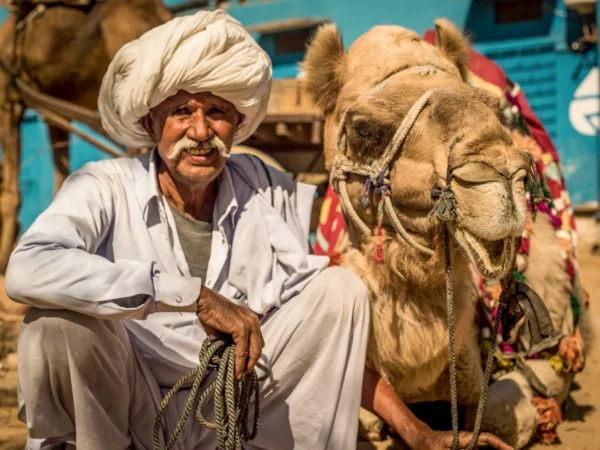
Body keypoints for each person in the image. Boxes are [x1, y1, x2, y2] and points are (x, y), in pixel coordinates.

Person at [6, 10, 511, 450]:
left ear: (237, 122)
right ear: (150, 122)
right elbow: (28, 268)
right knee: (55, 327)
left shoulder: (266, 189)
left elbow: (326, 331)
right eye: (182, 111)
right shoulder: (103, 186)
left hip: (236, 413)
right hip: (127, 408)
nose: (201, 133)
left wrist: (413, 430)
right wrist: (190, 296)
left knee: (341, 290)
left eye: (218, 113)